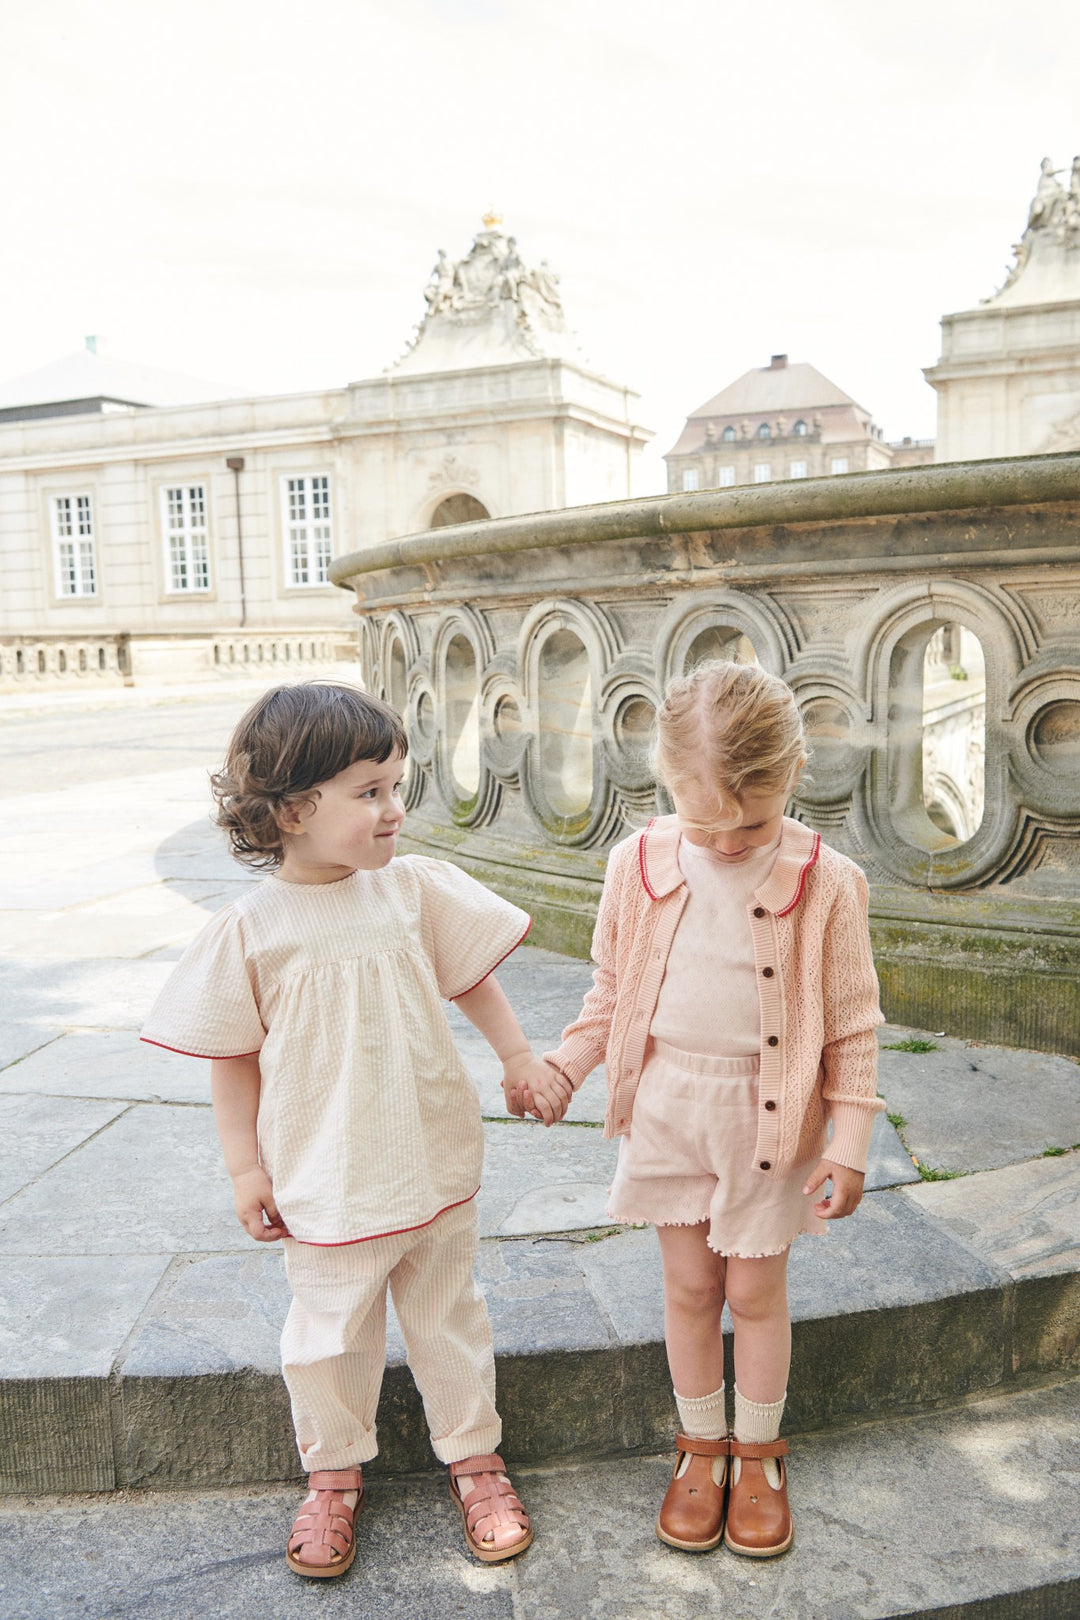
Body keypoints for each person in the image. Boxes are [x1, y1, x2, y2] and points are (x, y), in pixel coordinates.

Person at [141, 682, 564, 1578]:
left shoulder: (411, 890)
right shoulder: (253, 929)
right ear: (293, 810)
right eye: (369, 792)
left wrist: (518, 1056)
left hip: (431, 1153)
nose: (394, 809)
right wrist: (244, 1169)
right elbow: (233, 1057)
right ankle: (332, 1475)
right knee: (329, 1334)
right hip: (325, 1174)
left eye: (395, 787)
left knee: (450, 1318)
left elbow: (471, 976)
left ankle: (475, 1459)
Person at [511, 660, 883, 1558]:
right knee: (687, 1287)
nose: (724, 843)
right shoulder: (634, 865)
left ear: (793, 775)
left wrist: (850, 1143)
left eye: (749, 823)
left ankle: (758, 1452)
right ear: (665, 779)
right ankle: (700, 1444)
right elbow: (612, 992)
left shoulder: (829, 882)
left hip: (767, 1122)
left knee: (752, 1291)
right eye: (702, 820)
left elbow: (852, 1024)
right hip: (669, 1109)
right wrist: (566, 1063)